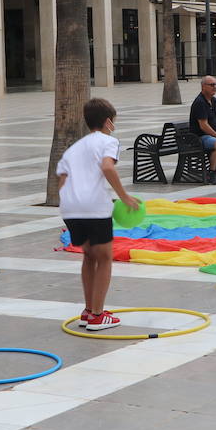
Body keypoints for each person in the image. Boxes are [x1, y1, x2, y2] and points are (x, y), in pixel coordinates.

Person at [56, 98, 138, 330]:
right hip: (94, 206)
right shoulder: (108, 141)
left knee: (89, 257)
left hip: (70, 208)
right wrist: (124, 197)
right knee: (104, 258)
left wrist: (73, 204)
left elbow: (62, 179)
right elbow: (107, 167)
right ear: (108, 121)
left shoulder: (74, 148)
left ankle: (88, 311)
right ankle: (98, 315)